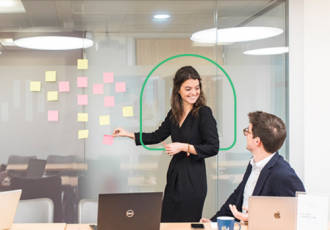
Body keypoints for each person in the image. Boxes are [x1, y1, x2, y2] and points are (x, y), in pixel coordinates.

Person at [113, 66, 219, 222]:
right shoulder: (174, 113)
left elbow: (213, 147)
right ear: (178, 90)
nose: (193, 92)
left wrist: (182, 146)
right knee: (166, 221)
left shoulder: (204, 113)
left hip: (193, 178)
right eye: (188, 88)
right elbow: (156, 136)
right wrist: (128, 134)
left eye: (197, 88)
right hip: (174, 176)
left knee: (185, 223)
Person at [200, 111, 305, 223]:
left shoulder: (284, 175)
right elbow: (237, 197)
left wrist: (257, 217)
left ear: (257, 141)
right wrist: (214, 223)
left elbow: (299, 214)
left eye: (248, 131)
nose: (245, 134)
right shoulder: (253, 164)